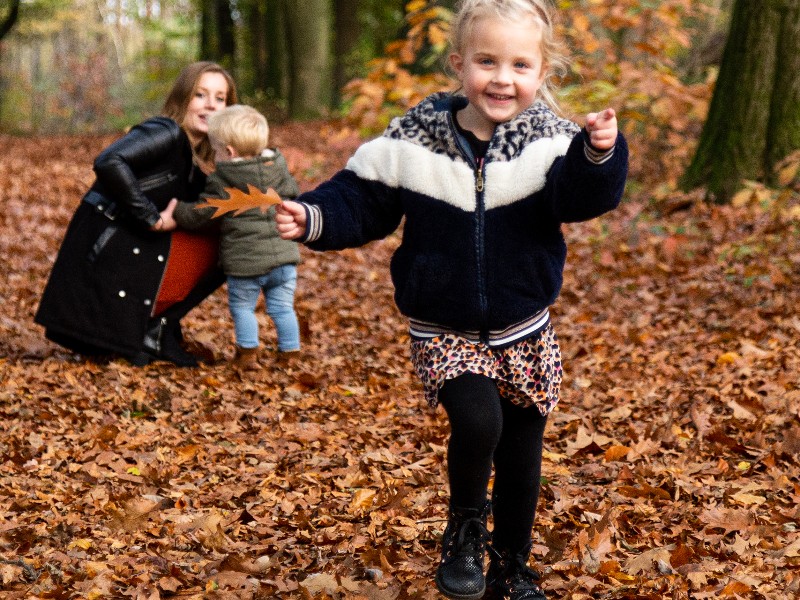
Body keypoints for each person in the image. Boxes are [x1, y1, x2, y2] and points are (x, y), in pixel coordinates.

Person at [276, 0, 628, 598]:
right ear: (459, 64)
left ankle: (512, 567)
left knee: (522, 453)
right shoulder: (417, 138)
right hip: (444, 328)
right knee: (477, 419)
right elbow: (360, 199)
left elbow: (581, 197)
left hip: (525, 329)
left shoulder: (551, 142)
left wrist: (598, 152)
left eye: (520, 65)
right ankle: (465, 528)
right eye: (487, 61)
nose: (502, 78)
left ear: (542, 74)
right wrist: (312, 216)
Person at [35, 61, 238, 367]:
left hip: (127, 252)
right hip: (105, 252)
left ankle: (159, 327)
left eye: (220, 98)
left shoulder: (193, 163)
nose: (210, 104)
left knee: (237, 230)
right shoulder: (165, 130)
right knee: (232, 238)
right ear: (183, 99)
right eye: (200, 95)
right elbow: (109, 161)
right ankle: (154, 328)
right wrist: (150, 217)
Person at [172, 104, 301, 370]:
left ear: (229, 152)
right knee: (282, 309)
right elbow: (293, 192)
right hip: (284, 259)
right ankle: (289, 355)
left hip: (246, 264)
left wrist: (177, 210)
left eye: (217, 151)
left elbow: (202, 213)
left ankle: (247, 355)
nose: (215, 157)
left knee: (243, 309)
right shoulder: (278, 168)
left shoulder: (224, 179)